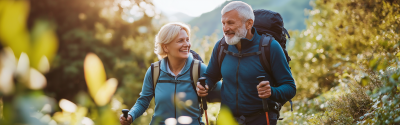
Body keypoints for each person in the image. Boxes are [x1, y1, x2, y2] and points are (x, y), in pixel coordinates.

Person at [196, 1, 296, 125]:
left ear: (249, 24)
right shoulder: (221, 46)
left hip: (261, 119)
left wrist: (272, 92)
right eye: (223, 23)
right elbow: (210, 76)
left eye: (231, 23)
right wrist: (205, 85)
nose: (225, 28)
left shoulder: (269, 47)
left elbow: (290, 87)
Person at [120, 22, 220, 125]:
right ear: (166, 47)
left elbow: (225, 92)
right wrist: (131, 116)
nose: (186, 44)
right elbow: (143, 101)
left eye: (187, 40)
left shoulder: (199, 69)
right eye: (180, 41)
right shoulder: (154, 71)